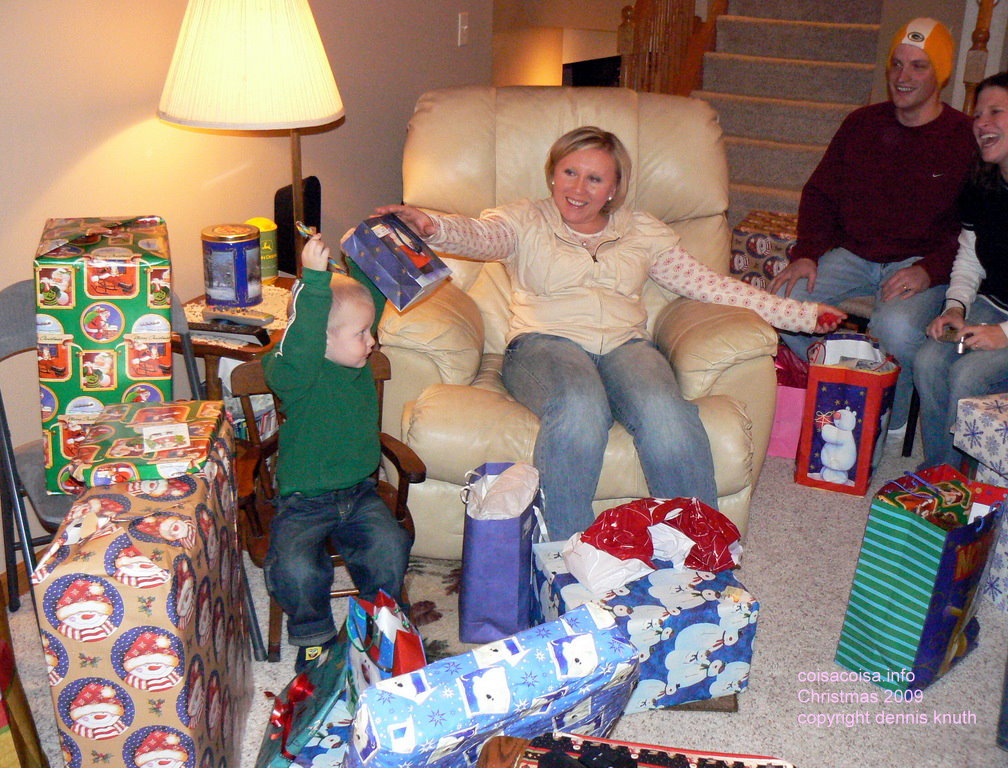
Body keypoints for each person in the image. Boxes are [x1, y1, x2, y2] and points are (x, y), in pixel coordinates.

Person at [378, 126, 845, 541]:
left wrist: (799, 315)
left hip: (626, 346)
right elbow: (477, 237)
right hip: (544, 345)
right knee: (581, 407)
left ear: (614, 188)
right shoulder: (523, 221)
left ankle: (702, 550)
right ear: (552, 174)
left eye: (594, 178)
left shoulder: (643, 231)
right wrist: (430, 224)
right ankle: (566, 555)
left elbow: (709, 285)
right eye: (569, 172)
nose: (577, 189)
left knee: (666, 412)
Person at [770, 18, 975, 435]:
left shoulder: (963, 137)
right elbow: (820, 194)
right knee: (779, 307)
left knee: (895, 329)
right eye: (897, 64)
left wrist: (929, 270)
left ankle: (890, 417)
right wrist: (807, 252)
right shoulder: (861, 125)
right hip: (854, 254)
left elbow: (972, 230)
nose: (903, 77)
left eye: (919, 66)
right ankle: (841, 386)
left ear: (940, 74)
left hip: (921, 262)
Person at [262, 234, 412, 672]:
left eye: (371, 332)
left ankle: (374, 620)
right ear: (322, 339)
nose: (372, 342)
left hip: (361, 491)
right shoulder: (296, 373)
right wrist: (312, 280)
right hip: (304, 499)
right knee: (294, 567)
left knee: (389, 547)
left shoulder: (355, 361)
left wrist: (365, 250)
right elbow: (304, 336)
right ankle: (314, 633)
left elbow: (371, 299)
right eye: (362, 334)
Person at [915, 72, 1008, 469]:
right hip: (988, 307)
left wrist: (1002, 335)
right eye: (978, 114)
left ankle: (966, 490)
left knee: (969, 376)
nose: (982, 122)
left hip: (1005, 327)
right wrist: (954, 309)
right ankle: (943, 475)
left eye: (996, 112)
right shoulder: (981, 184)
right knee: (930, 359)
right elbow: (969, 258)